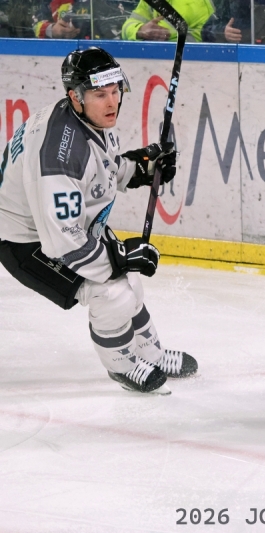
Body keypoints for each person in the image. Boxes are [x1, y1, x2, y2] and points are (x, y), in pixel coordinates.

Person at [0, 47, 198, 394]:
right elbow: (63, 240)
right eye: (99, 94)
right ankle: (122, 365)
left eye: (114, 91)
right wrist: (119, 258)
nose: (111, 103)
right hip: (26, 241)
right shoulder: (58, 157)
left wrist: (141, 167)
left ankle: (150, 353)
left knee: (129, 281)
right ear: (74, 97)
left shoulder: (84, 120)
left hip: (56, 224)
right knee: (112, 293)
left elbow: (100, 168)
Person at [121, 0, 212, 41]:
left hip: (191, 62)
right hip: (163, 62)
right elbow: (126, 27)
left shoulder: (193, 2)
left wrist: (142, 32)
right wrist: (139, 29)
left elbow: (157, 35)